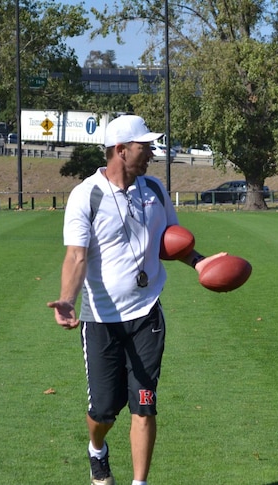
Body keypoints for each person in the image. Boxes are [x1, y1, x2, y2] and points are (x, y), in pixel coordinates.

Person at [48, 114, 222, 485]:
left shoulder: (155, 190)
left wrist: (200, 262)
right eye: (145, 147)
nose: (152, 153)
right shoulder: (86, 195)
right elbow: (76, 256)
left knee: (144, 404)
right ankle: (97, 449)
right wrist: (66, 299)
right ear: (120, 150)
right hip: (100, 319)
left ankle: (139, 483)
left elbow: (170, 242)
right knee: (104, 412)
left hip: (146, 314)